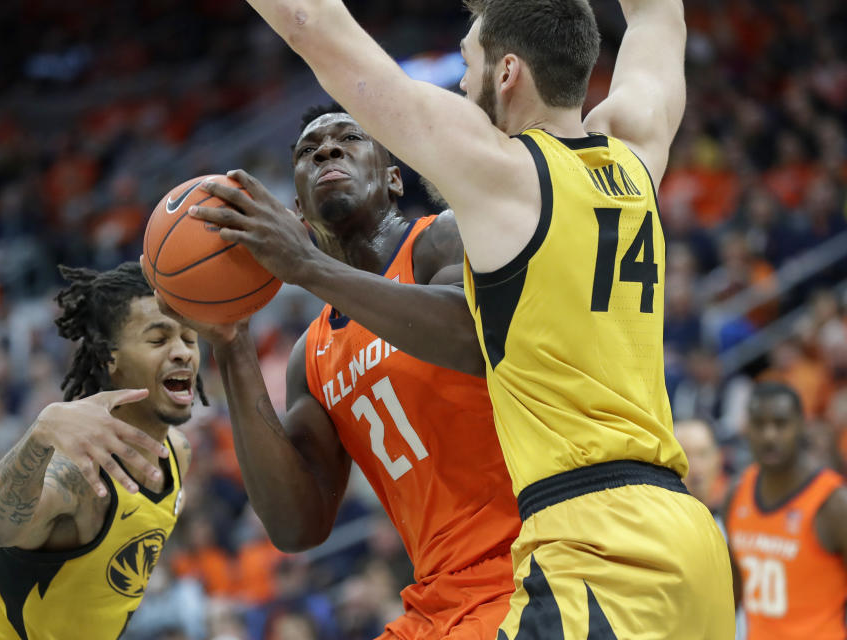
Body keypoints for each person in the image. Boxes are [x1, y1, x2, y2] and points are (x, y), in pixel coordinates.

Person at [235, 0, 734, 636]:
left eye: (466, 68)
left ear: (505, 74)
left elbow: (315, 26)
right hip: (684, 533)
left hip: (590, 543)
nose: (461, 89)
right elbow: (659, 17)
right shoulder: (635, 153)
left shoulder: (503, 178)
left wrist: (304, 264)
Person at [164, 104, 522, 639]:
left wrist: (307, 267)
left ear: (394, 179)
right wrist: (232, 341)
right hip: (440, 595)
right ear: (296, 211)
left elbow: (472, 339)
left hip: (532, 565)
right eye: (308, 152)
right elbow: (296, 525)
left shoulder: (444, 239)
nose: (327, 150)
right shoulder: (310, 356)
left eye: (349, 139)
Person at [0, 262, 202, 640]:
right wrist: (39, 434)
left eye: (190, 338)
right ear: (110, 358)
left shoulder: (179, 454)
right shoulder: (77, 471)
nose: (183, 353)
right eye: (159, 340)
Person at [726, 382, 847, 640]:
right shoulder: (736, 494)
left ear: (801, 425)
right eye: (759, 424)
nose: (769, 435)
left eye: (781, 424)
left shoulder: (834, 504)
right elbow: (733, 592)